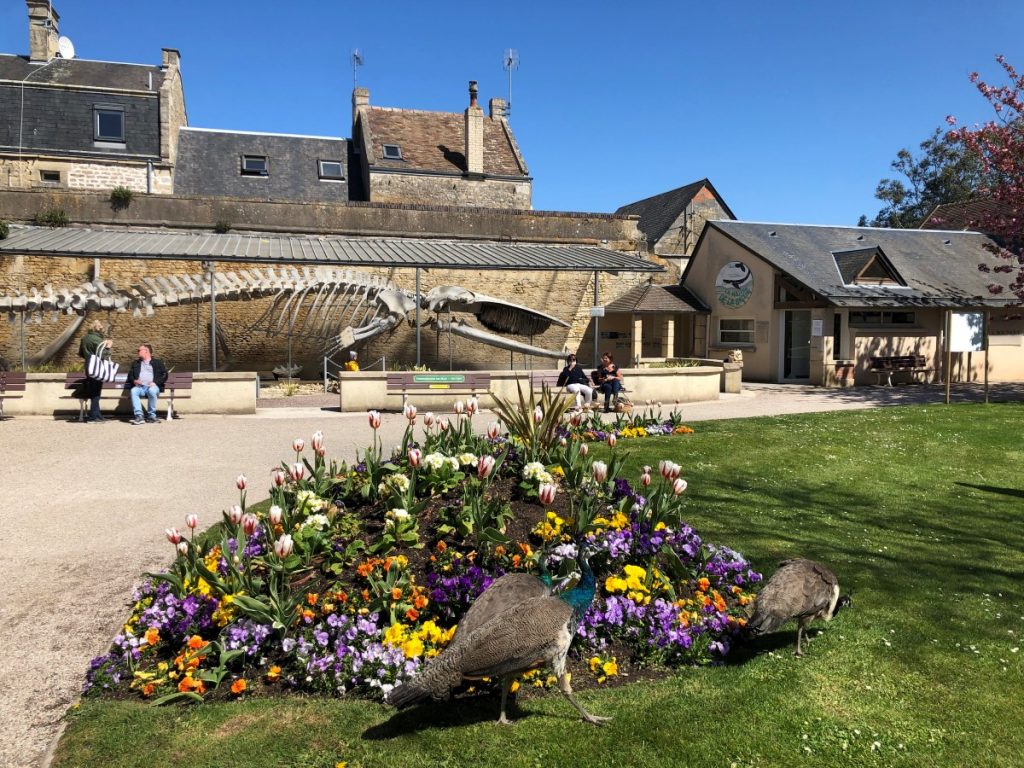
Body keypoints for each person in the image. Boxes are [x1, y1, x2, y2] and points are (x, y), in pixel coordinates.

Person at [78, 320, 112, 423]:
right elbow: (103, 354)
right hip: (97, 367)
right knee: (96, 392)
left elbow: (81, 353)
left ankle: (97, 414)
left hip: (89, 366)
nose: (102, 329)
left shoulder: (84, 338)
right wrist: (108, 347)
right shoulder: (97, 339)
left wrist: (89, 357)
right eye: (101, 328)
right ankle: (94, 416)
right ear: (96, 328)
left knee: (94, 391)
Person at [127, 343, 168, 425]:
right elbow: (130, 376)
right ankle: (139, 416)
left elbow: (165, 374)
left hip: (152, 387)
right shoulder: (136, 363)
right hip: (140, 387)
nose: (137, 352)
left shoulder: (157, 362)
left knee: (152, 391)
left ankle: (151, 416)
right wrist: (134, 381)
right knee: (133, 391)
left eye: (139, 350)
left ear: (146, 351)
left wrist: (155, 383)